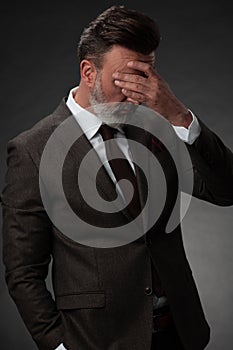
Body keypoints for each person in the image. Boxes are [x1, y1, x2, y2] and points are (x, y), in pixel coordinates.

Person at [1, 5, 233, 350]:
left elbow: (225, 189)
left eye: (144, 78)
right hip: (98, 341)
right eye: (122, 79)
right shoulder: (33, 150)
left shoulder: (157, 128)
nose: (136, 93)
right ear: (88, 72)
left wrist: (179, 115)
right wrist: (58, 345)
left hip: (181, 334)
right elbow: (23, 272)